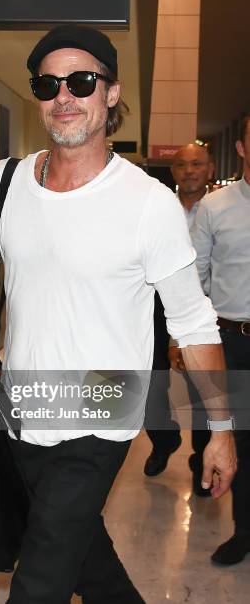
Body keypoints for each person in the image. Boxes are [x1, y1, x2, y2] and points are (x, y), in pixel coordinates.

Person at [0, 25, 236, 603]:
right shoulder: (4, 182)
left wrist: (222, 429)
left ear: (111, 93)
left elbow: (194, 322)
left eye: (81, 81)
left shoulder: (147, 204)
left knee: (40, 580)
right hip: (22, 399)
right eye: (48, 84)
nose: (64, 96)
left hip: (104, 402)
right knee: (80, 556)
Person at [191, 112, 250, 565]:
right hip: (236, 342)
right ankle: (244, 532)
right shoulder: (215, 207)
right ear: (243, 148)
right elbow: (198, 278)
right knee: (241, 441)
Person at [144, 144, 215, 498]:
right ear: (172, 171)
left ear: (210, 168)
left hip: (207, 309)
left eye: (197, 164)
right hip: (155, 308)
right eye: (182, 164)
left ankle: (203, 456)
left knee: (203, 387)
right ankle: (163, 439)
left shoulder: (219, 209)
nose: (189, 170)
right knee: (150, 382)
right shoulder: (157, 207)